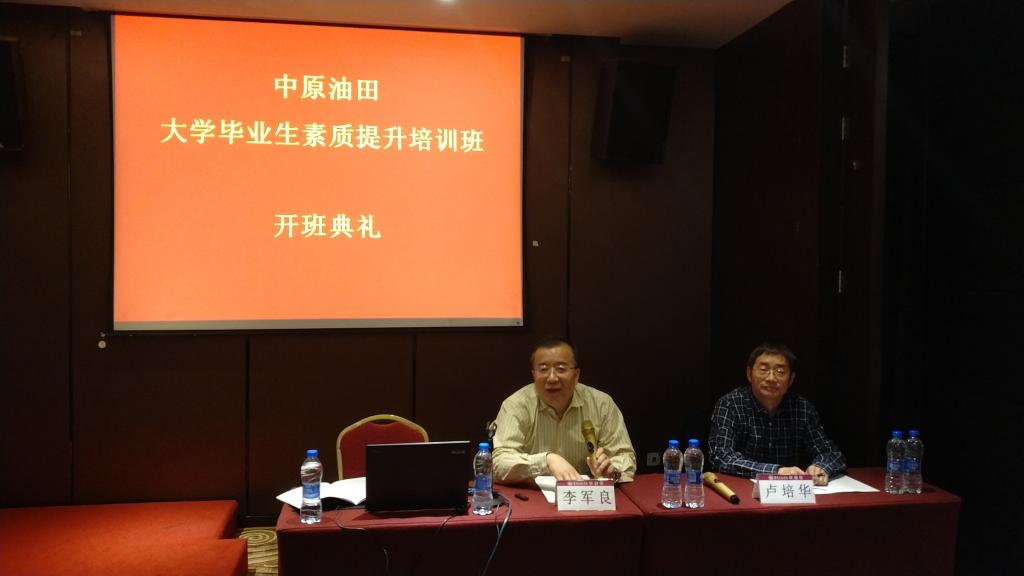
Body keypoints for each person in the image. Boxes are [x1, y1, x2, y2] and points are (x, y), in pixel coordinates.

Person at [491, 337, 637, 483]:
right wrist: (547, 460)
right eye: (543, 369)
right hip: (532, 493)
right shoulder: (516, 405)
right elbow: (498, 463)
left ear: (576, 375)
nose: (552, 378)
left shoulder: (601, 404)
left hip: (586, 492)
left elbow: (625, 456)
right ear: (534, 375)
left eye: (561, 369)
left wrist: (612, 471)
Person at [708, 342, 846, 486]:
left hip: (789, 491)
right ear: (749, 374)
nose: (771, 378)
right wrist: (776, 471)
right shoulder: (730, 404)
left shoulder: (802, 408)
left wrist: (821, 467)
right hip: (741, 488)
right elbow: (721, 457)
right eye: (763, 370)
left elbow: (831, 453)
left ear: (791, 379)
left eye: (780, 372)